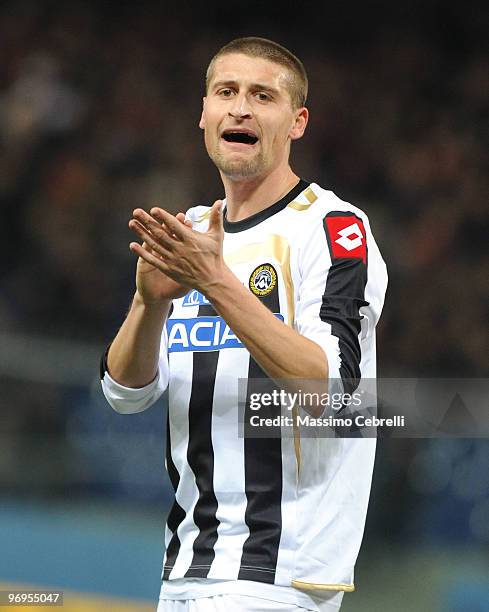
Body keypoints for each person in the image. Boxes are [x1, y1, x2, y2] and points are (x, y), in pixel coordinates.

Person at [101, 37, 387, 612]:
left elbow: (331, 394)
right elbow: (126, 396)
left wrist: (216, 281)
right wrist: (148, 304)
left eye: (264, 96)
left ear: (297, 122)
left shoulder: (333, 230)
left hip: (277, 572)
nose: (240, 108)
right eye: (225, 92)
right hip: (185, 565)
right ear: (203, 114)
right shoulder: (190, 233)